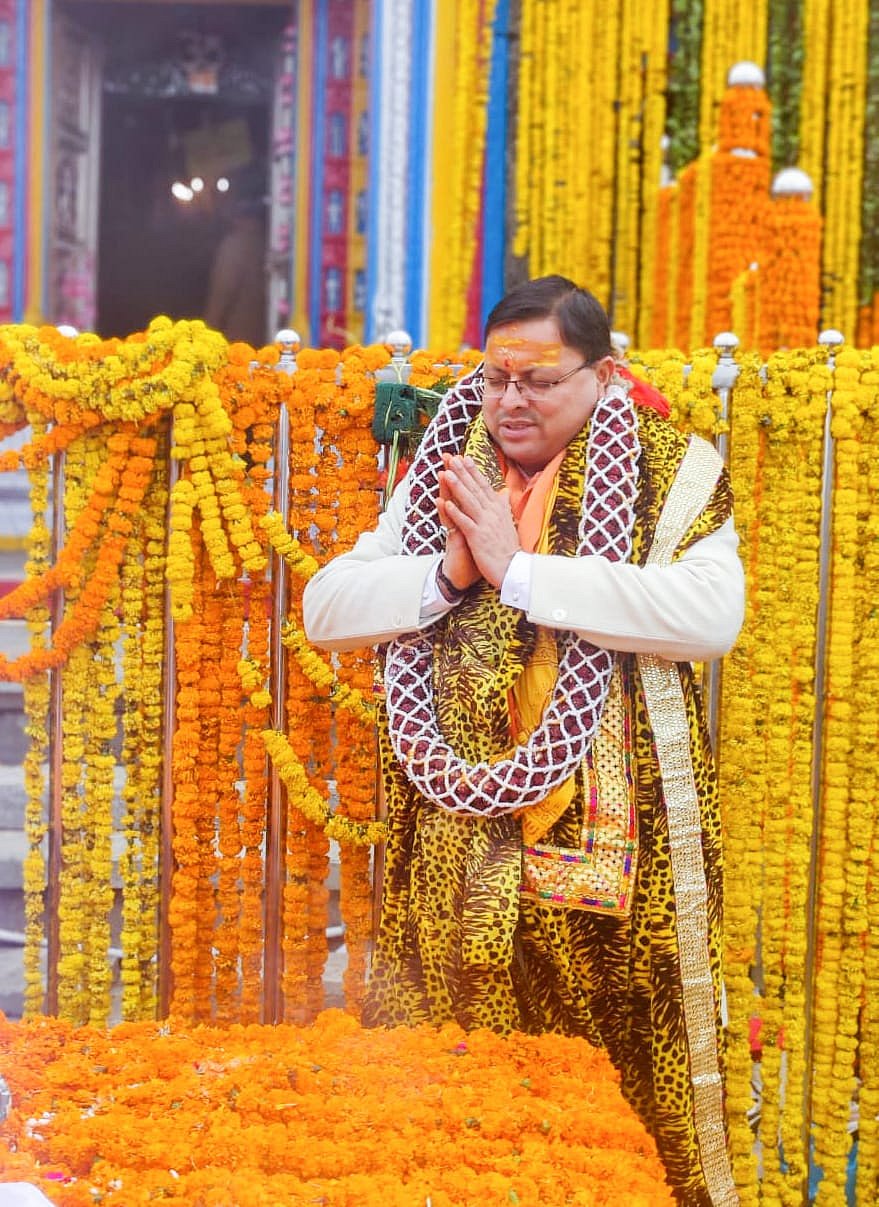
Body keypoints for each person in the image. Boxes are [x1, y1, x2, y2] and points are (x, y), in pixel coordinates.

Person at [303, 275, 744, 1206]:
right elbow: (326, 608)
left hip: (613, 851)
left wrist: (521, 571)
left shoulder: (672, 467)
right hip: (456, 845)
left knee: (607, 1099)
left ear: (603, 375)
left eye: (539, 381)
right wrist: (447, 573)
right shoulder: (448, 468)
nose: (511, 401)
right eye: (498, 377)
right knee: (450, 1092)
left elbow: (710, 617)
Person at [204, 162, 268, 347]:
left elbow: (219, 305)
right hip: (263, 344)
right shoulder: (268, 244)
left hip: (237, 347)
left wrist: (203, 346)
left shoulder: (234, 246)